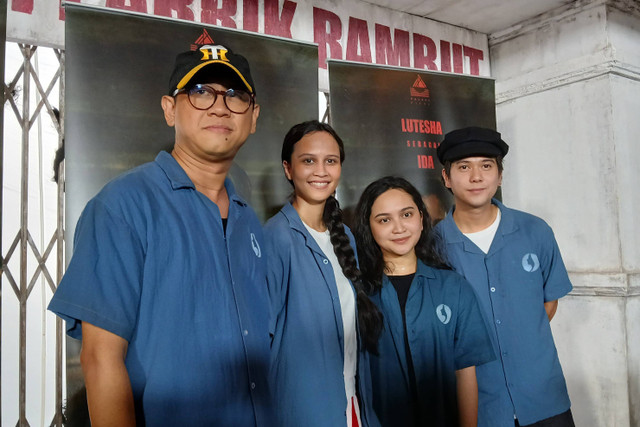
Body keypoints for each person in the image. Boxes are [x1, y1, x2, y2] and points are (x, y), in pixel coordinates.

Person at [48, 43, 271, 426]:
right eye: (201, 92)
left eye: (235, 96)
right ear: (170, 109)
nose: (219, 106)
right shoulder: (123, 206)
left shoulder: (249, 221)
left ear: (253, 117)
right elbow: (100, 359)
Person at [434, 126, 575, 427]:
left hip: (543, 397)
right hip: (479, 408)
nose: (476, 177)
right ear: (446, 177)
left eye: (486, 166)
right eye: (464, 167)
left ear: (499, 175)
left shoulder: (535, 231)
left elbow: (549, 303)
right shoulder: (431, 248)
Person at [264, 120, 382, 427]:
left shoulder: (345, 236)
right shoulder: (274, 239)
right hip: (301, 409)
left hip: (352, 401)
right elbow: (262, 340)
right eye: (308, 161)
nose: (321, 171)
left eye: (331, 161)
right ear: (288, 169)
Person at [353, 176, 495, 427]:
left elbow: (465, 373)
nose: (399, 228)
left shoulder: (453, 287)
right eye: (384, 220)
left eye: (406, 215)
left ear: (421, 218)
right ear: (369, 227)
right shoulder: (356, 292)